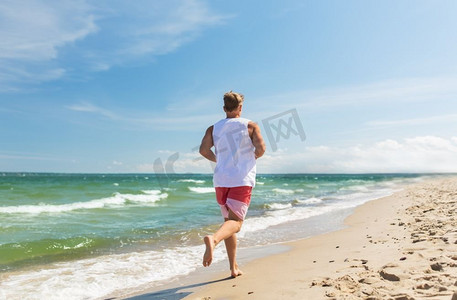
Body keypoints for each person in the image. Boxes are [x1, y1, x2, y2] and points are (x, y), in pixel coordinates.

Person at [199, 91, 266, 278]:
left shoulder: (213, 128)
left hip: (221, 181)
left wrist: (218, 159)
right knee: (236, 223)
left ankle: (233, 268)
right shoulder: (250, 125)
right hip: (241, 179)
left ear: (224, 108)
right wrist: (251, 157)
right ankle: (213, 239)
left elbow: (204, 150)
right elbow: (261, 149)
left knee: (229, 222)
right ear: (240, 107)